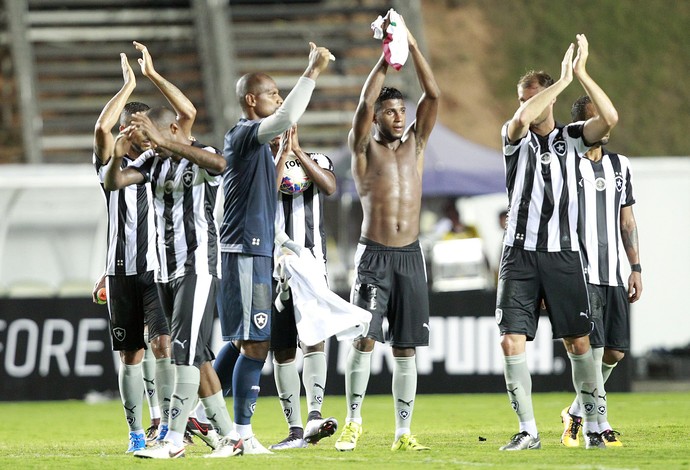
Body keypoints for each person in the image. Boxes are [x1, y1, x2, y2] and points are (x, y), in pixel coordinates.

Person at [495, 34, 618, 451]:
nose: (525, 107)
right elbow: (520, 118)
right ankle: (528, 430)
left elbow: (611, 118)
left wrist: (579, 74)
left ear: (550, 99)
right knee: (510, 338)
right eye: (523, 100)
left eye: (534, 98)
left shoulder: (573, 138)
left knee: (579, 341)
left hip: (563, 253)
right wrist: (559, 81)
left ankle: (596, 424)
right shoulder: (514, 137)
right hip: (519, 253)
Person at [214, 42, 333, 454]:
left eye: (281, 94)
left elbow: (263, 197)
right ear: (251, 100)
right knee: (257, 345)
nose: (279, 101)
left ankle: (202, 409)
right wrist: (312, 71)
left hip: (259, 248)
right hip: (246, 251)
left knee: (242, 342)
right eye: (272, 94)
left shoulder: (260, 149)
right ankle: (241, 433)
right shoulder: (246, 133)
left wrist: (282, 241)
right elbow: (287, 116)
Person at [103, 107, 242, 459]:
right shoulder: (153, 162)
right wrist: (116, 158)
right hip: (165, 271)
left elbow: (223, 166)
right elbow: (114, 183)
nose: (145, 142)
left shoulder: (203, 155)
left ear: (171, 130)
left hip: (197, 266)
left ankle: (174, 440)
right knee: (197, 356)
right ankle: (231, 437)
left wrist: (163, 136)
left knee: (182, 352)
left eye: (150, 135)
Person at [334, 11, 440, 452]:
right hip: (375, 254)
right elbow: (362, 106)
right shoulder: (362, 149)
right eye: (390, 111)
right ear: (377, 116)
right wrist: (384, 59)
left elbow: (433, 93)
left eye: (401, 111)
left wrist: (411, 46)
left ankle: (402, 433)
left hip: (410, 256)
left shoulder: (416, 143)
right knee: (365, 338)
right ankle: (353, 422)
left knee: (406, 347)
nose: (398, 117)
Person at [92, 41, 192, 453]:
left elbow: (187, 114)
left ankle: (169, 427)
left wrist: (151, 76)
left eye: (139, 125)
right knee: (130, 356)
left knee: (164, 344)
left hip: (158, 268)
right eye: (127, 125)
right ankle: (136, 434)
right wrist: (128, 87)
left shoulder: (165, 161)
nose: (131, 130)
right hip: (119, 271)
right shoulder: (110, 166)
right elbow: (101, 130)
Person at [560, 95, 643, 448]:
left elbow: (627, 219)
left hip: (613, 272)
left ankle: (576, 411)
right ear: (582, 126)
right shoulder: (566, 166)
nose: (605, 126)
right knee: (592, 353)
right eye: (596, 120)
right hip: (580, 272)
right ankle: (599, 426)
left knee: (615, 353)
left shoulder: (620, 166)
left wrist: (636, 266)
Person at [267, 126, 338, 450]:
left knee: (314, 340)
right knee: (282, 349)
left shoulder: (317, 159)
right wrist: (281, 157)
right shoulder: (259, 166)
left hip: (312, 264)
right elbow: (263, 196)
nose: (277, 136)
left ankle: (313, 416)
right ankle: (294, 429)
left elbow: (329, 186)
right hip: (272, 265)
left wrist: (297, 153)